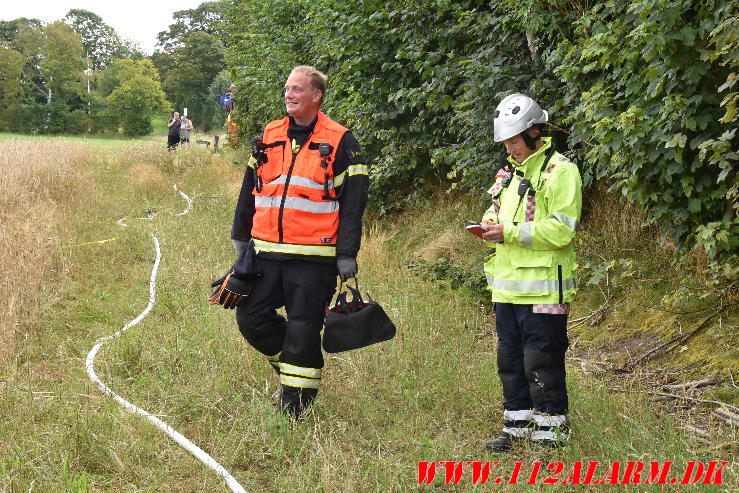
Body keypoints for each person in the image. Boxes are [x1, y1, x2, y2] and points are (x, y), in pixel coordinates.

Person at [227, 66, 369, 419]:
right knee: (251, 317)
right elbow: (250, 185)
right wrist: (240, 234)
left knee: (304, 328)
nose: (288, 94)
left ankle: (295, 409)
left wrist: (347, 253)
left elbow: (354, 203)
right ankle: (292, 368)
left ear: (316, 96)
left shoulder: (340, 140)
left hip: (314, 257)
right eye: (287, 88)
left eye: (297, 90)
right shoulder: (271, 133)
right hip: (266, 253)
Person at [479, 93, 582, 451]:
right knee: (510, 361)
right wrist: (489, 226)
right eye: (505, 142)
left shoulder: (561, 171)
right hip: (507, 290)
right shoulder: (508, 173)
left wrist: (508, 232)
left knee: (543, 360)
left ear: (534, 132)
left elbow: (561, 229)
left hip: (545, 288)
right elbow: (495, 211)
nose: (510, 148)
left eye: (514, 140)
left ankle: (550, 434)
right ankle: (517, 427)